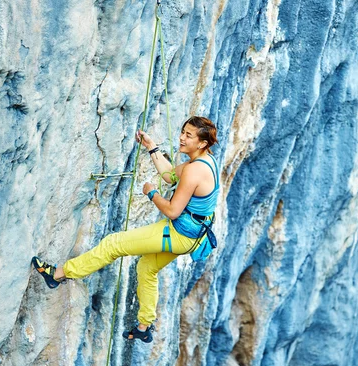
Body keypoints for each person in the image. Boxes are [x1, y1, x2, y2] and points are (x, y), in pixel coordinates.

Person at [32, 116, 220, 344]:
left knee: (114, 244)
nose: (181, 137)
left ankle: (58, 274)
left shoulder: (194, 171)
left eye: (188, 135)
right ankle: (144, 326)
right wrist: (151, 147)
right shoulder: (205, 161)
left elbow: (172, 211)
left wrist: (152, 193)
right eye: (183, 131)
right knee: (147, 268)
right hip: (192, 235)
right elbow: (170, 175)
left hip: (180, 233)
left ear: (201, 143)